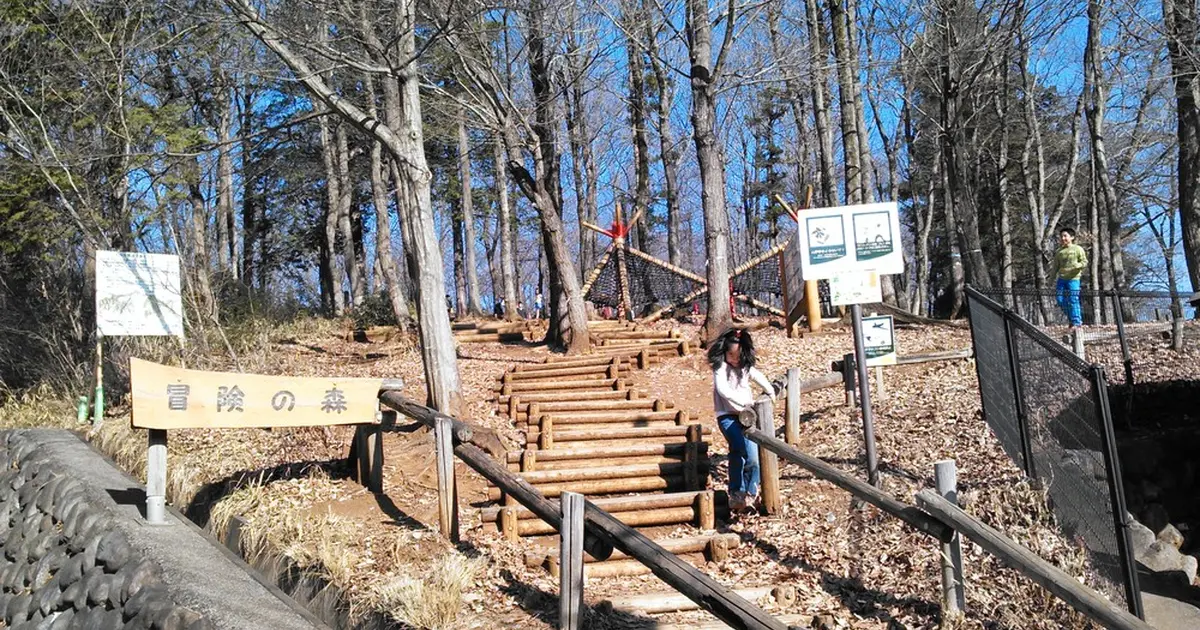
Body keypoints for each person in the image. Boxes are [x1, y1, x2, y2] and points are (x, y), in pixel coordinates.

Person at [708, 328, 776, 513]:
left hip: (747, 418)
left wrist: (770, 391)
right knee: (739, 449)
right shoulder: (720, 368)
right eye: (731, 355)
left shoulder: (745, 367)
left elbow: (757, 376)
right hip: (728, 417)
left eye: (738, 356)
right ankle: (736, 492)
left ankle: (750, 491)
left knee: (753, 456)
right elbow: (723, 391)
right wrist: (745, 402)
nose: (734, 359)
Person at [1054, 227, 1087, 329]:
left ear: (1071, 237)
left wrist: (1076, 266)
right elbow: (1055, 267)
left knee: (1073, 299)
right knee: (1060, 299)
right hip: (1061, 279)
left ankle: (1077, 322)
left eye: (1065, 236)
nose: (1063, 238)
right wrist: (1051, 280)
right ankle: (1071, 318)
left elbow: (1084, 262)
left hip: (1074, 279)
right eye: (1061, 236)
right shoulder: (1059, 252)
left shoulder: (1078, 249)